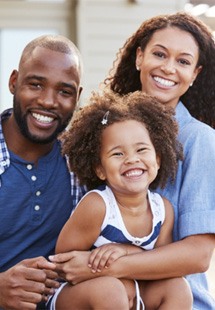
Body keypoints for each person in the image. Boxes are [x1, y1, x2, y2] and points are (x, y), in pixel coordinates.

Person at [50, 12, 215, 310]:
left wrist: (110, 262)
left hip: (173, 298)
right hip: (105, 294)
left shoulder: (198, 140)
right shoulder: (107, 128)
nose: (168, 67)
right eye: (159, 54)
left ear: (195, 74)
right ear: (140, 57)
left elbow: (197, 255)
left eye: (183, 61)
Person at [48, 89, 193, 310]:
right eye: (118, 154)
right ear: (100, 170)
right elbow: (65, 262)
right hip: (78, 295)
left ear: (158, 158)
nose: (132, 159)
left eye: (142, 149)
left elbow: (161, 264)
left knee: (178, 287)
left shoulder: (162, 210)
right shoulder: (98, 206)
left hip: (132, 292)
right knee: (111, 290)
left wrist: (126, 252)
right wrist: (105, 264)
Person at [0, 34, 86, 310]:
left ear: (77, 97)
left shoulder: (83, 164)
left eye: (64, 91)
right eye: (36, 84)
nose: (49, 101)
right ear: (14, 82)